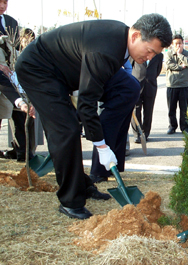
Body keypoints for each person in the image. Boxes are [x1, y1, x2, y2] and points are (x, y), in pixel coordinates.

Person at [15, 14, 172, 219]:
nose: (150, 57)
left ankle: (85, 180)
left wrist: (103, 142)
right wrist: (101, 146)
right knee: (67, 129)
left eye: (155, 54)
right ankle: (70, 201)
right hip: (39, 70)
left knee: (129, 87)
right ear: (135, 36)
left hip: (70, 69)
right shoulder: (105, 50)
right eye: (150, 51)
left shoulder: (121, 43)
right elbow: (87, 104)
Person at [0, 0, 35, 161]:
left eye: (5, 2)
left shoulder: (11, 22)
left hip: (12, 75)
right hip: (1, 75)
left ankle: (23, 151)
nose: (2, 6)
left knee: (19, 113)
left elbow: (20, 45)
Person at [165, 34, 188, 135]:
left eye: (180, 43)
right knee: (171, 108)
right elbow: (169, 64)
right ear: (172, 44)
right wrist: (181, 67)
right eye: (176, 44)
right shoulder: (168, 54)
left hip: (183, 85)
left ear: (183, 43)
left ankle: (184, 127)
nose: (178, 46)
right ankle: (172, 126)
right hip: (171, 84)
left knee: (184, 109)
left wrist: (180, 54)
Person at [134, 52, 164, 142]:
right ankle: (137, 134)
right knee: (136, 109)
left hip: (150, 86)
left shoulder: (159, 55)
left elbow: (158, 70)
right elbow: (130, 67)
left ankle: (145, 133)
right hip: (136, 84)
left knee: (148, 110)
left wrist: (151, 78)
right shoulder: (137, 51)